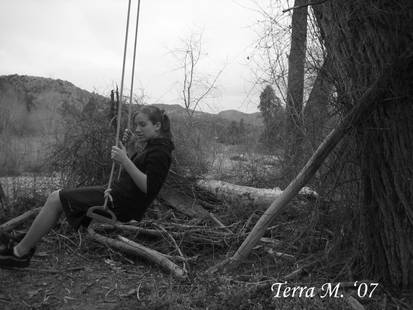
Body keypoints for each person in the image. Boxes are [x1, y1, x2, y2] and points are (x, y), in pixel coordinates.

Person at [0, 105, 174, 268]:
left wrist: (125, 160)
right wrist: (128, 151)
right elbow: (135, 176)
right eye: (136, 125)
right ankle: (22, 245)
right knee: (57, 199)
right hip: (117, 195)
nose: (137, 129)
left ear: (157, 125)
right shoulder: (154, 147)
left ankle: (19, 252)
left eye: (142, 125)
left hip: (122, 204)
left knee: (56, 198)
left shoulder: (160, 152)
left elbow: (148, 187)